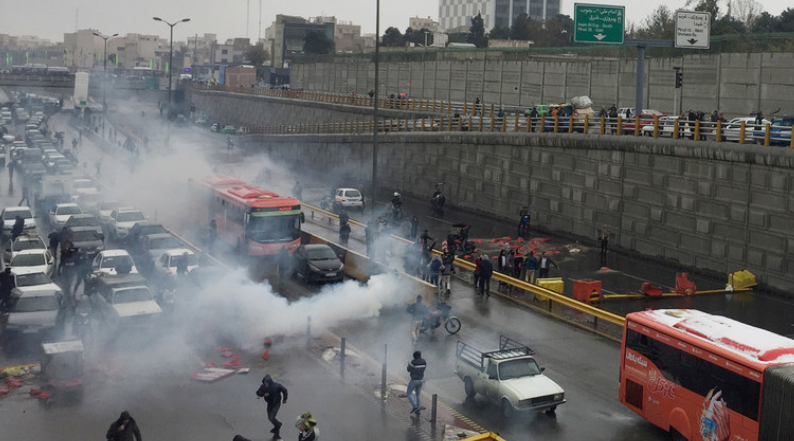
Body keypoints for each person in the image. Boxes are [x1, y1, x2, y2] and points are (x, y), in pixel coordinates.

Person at [256, 374, 289, 439]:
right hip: (269, 403)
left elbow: (284, 390)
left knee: (271, 417)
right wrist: (263, 394)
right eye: (264, 382)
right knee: (269, 417)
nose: (266, 384)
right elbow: (258, 392)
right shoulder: (263, 387)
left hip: (276, 403)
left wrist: (284, 399)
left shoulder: (277, 386)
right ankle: (277, 425)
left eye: (267, 382)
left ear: (270, 382)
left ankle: (278, 426)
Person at [406, 350, 427, 414]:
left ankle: (415, 406)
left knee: (409, 393)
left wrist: (408, 365)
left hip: (414, 380)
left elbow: (408, 370)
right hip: (421, 380)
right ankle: (418, 407)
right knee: (418, 394)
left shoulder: (413, 362)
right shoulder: (424, 361)